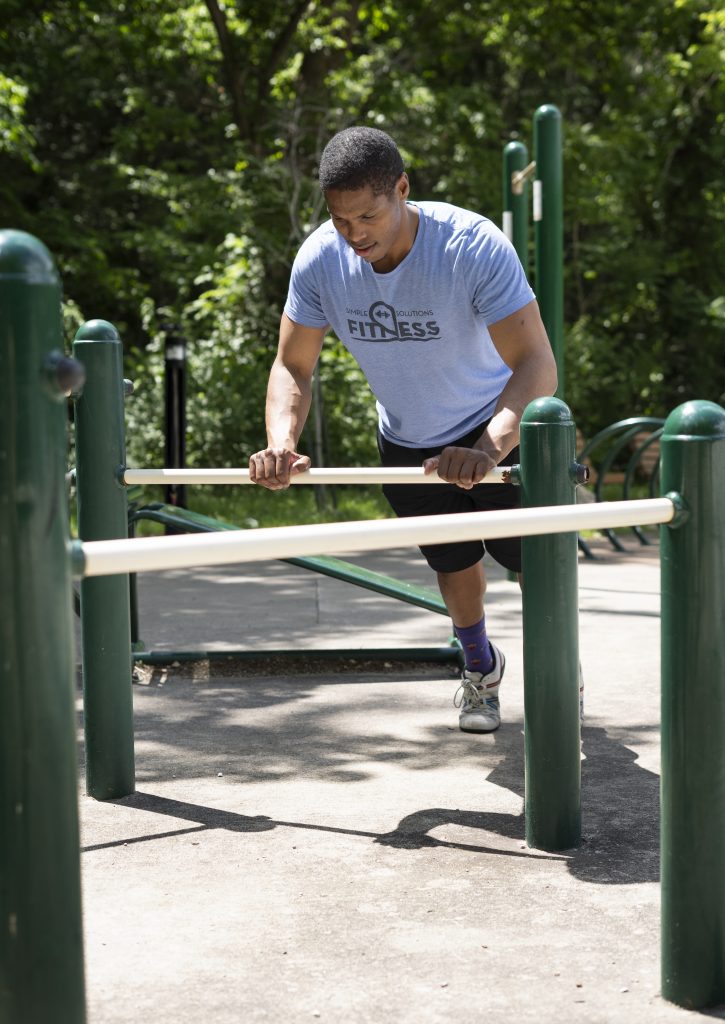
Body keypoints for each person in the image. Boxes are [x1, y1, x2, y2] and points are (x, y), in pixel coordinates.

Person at [249, 126, 558, 733]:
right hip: (407, 440)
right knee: (454, 565)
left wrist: (486, 446)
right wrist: (282, 443)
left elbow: (537, 365)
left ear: (402, 188)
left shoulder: (470, 246)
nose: (355, 234)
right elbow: (292, 364)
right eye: (341, 220)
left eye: (368, 215)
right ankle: (479, 670)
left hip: (497, 427)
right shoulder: (321, 259)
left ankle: (557, 669)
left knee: (536, 565)